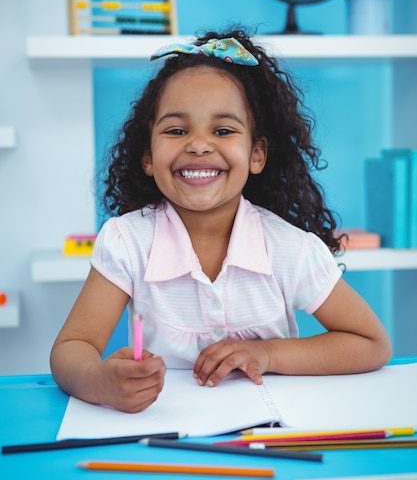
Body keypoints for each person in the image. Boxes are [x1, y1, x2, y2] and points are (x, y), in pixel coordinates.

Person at [50, 28, 392, 413]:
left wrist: (266, 354)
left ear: (256, 155)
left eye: (223, 130)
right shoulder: (126, 241)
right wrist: (98, 381)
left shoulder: (290, 249)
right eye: (177, 130)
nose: (198, 145)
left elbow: (371, 343)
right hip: (166, 439)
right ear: (147, 156)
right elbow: (70, 348)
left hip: (268, 440)